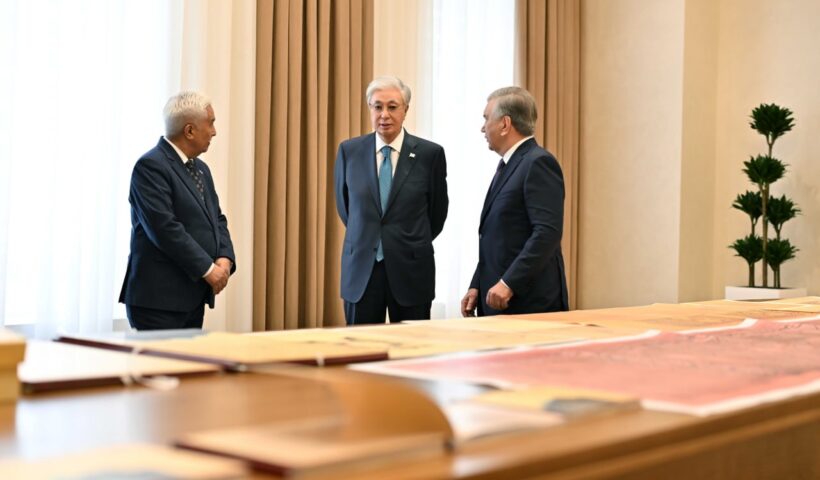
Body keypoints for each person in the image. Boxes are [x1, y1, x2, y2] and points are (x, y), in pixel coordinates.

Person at [334, 76, 449, 325]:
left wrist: (406, 240)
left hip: (411, 270)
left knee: (412, 346)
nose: (384, 114)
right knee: (360, 345)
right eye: (377, 107)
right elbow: (346, 209)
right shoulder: (349, 151)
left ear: (405, 109)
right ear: (370, 109)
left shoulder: (430, 155)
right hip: (361, 270)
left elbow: (437, 214)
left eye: (392, 107)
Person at [119, 91, 236, 330]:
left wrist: (225, 258)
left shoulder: (201, 169)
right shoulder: (151, 166)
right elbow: (165, 229)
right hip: (158, 302)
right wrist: (208, 269)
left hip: (193, 298)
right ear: (189, 130)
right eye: (210, 123)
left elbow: (217, 219)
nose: (214, 132)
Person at [461, 86, 568, 317]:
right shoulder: (509, 165)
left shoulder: (538, 163)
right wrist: (477, 284)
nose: (482, 127)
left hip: (528, 303)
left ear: (505, 124)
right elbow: (497, 237)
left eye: (486, 118)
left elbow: (547, 233)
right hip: (498, 300)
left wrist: (509, 283)